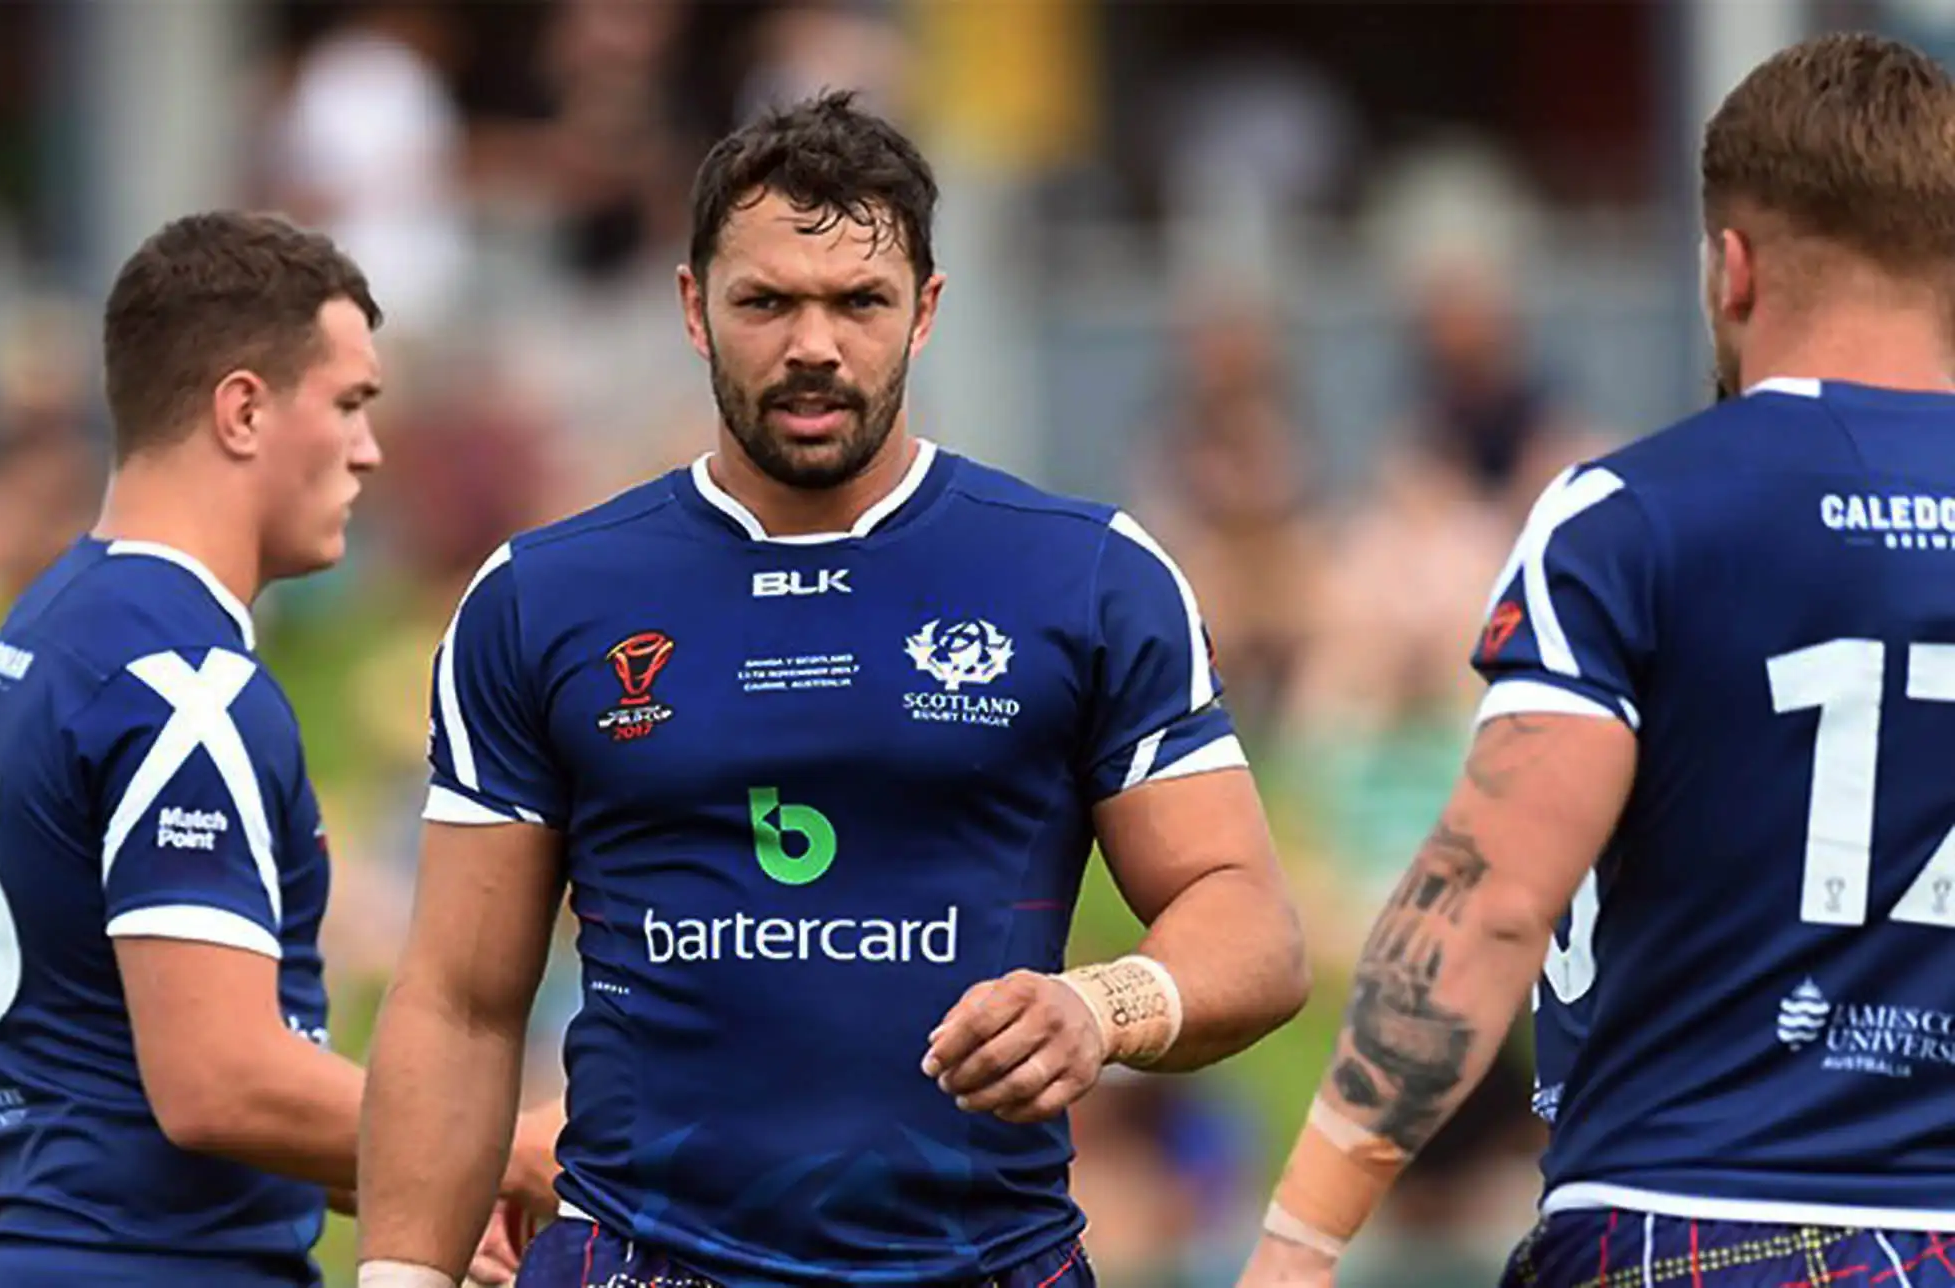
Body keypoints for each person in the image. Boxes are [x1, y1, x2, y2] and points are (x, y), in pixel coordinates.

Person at [354, 90, 1312, 1288]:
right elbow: (459, 1001)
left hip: (982, 1263)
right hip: (640, 1260)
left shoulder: (1088, 576)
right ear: (694, 308)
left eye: (860, 301)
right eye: (767, 302)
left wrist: (1103, 1004)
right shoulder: (542, 598)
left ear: (927, 311)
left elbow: (1250, 921)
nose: (814, 344)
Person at [1237, 31, 1955, 1288]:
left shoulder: (1633, 514)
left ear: (1732, 267)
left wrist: (1298, 1242)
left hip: (1696, 1218)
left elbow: (1492, 899)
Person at [0, 210, 556, 1288]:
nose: (369, 449)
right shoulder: (184, 681)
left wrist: (422, 1195)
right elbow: (217, 1081)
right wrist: (494, 1149)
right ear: (243, 410)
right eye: (350, 404)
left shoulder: (46, 635)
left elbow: (108, 1073)